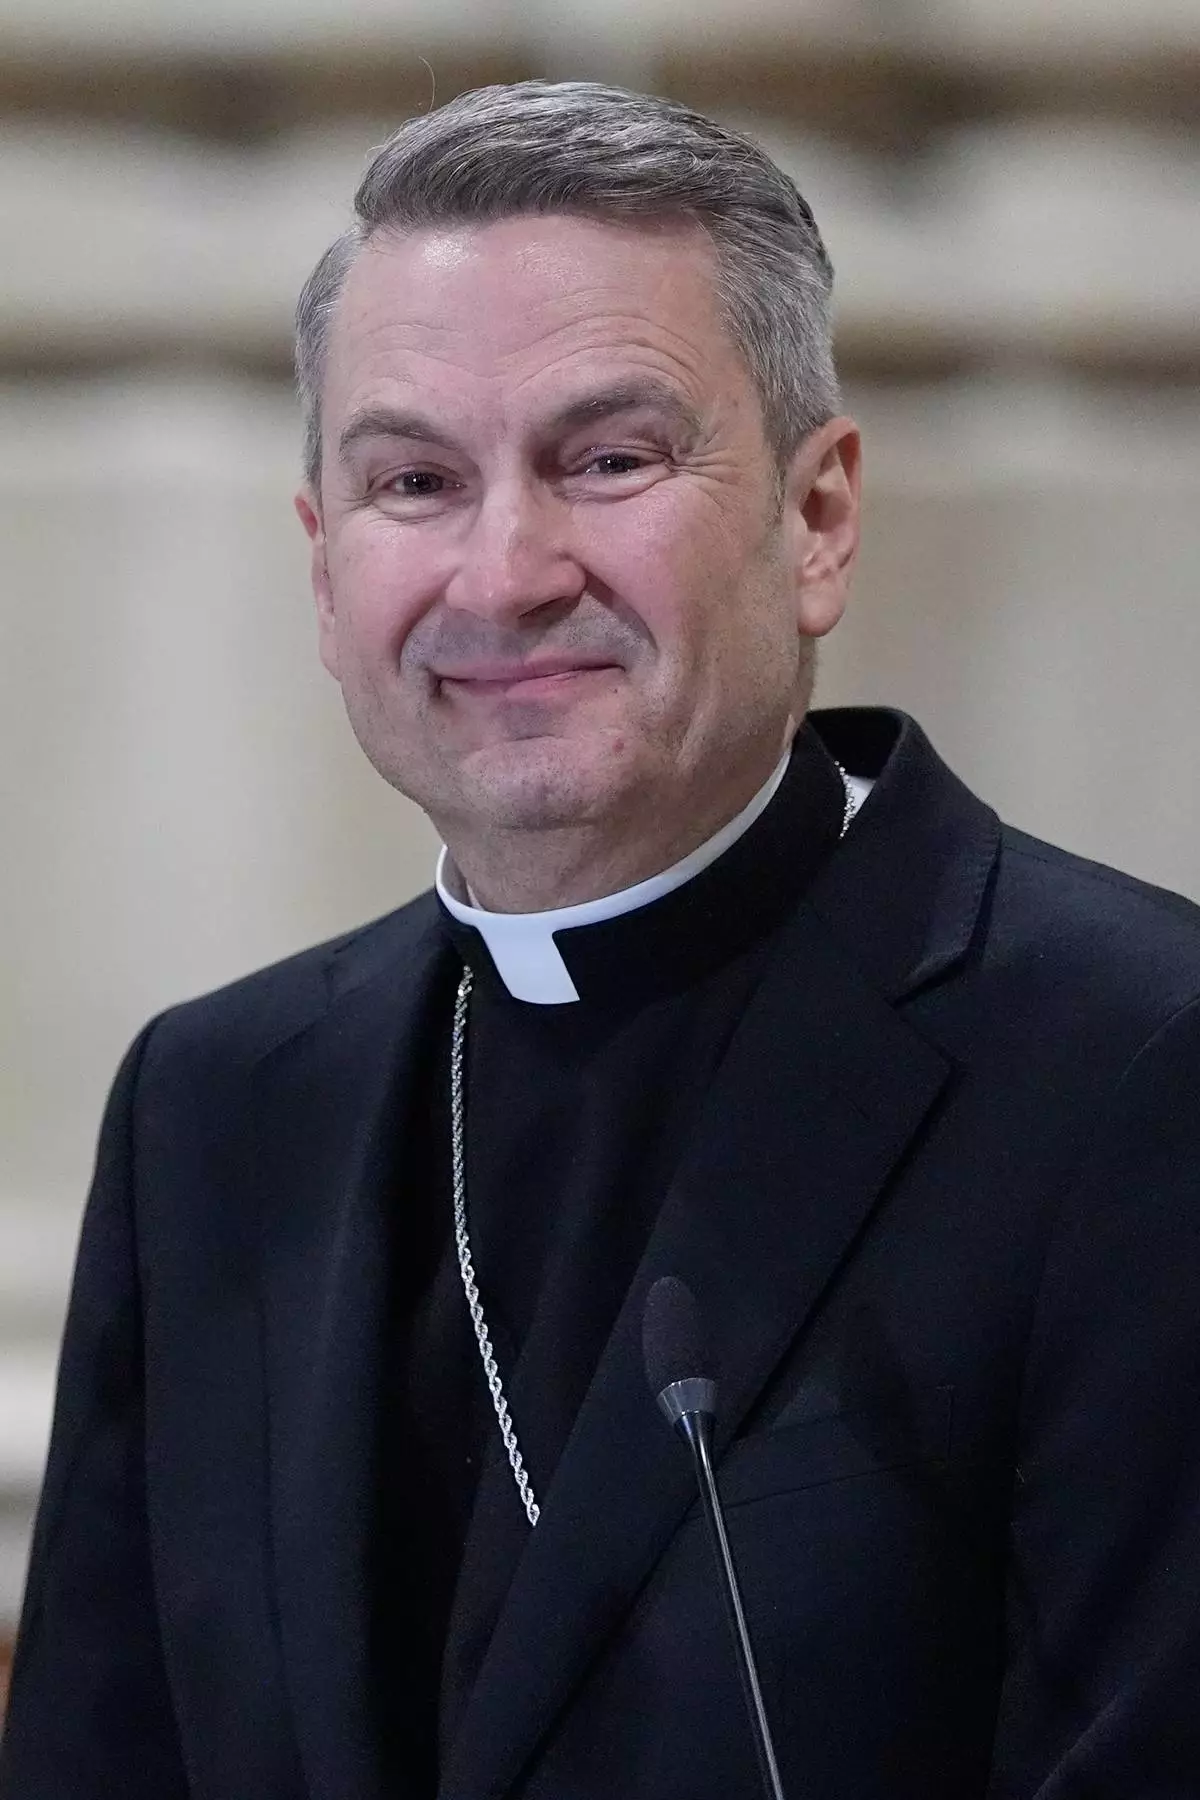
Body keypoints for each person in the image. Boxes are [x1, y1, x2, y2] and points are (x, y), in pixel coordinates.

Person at [3, 80, 1199, 1800]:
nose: (505, 571)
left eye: (609, 458)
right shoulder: (220, 1105)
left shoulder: (1135, 1068)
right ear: (323, 567)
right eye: (414, 480)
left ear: (819, 519)